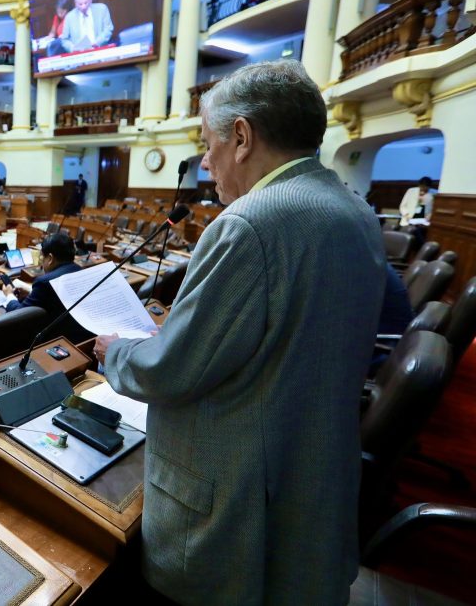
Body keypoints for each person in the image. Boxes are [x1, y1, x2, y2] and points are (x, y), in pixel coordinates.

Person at [93, 60, 385, 604]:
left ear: (243, 137)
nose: (206, 162)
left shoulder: (250, 222)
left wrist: (116, 353)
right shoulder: (354, 208)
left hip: (237, 511)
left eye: (209, 144)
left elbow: (172, 369)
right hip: (312, 489)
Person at [2, 233, 92, 343]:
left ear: (50, 258)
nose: (42, 263)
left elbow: (19, 315)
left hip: (54, 341)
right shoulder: (80, 271)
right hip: (81, 336)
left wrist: (9, 295)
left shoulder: (44, 282)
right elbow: (60, 295)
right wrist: (31, 291)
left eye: (42, 258)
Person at [50, 0, 114, 56]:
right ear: (75, 3)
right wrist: (73, 48)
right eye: (80, 4)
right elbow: (64, 39)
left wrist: (97, 42)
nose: (83, 7)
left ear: (90, 0)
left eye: (85, 3)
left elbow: (108, 29)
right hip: (79, 55)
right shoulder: (69, 17)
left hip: (101, 50)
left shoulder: (102, 9)